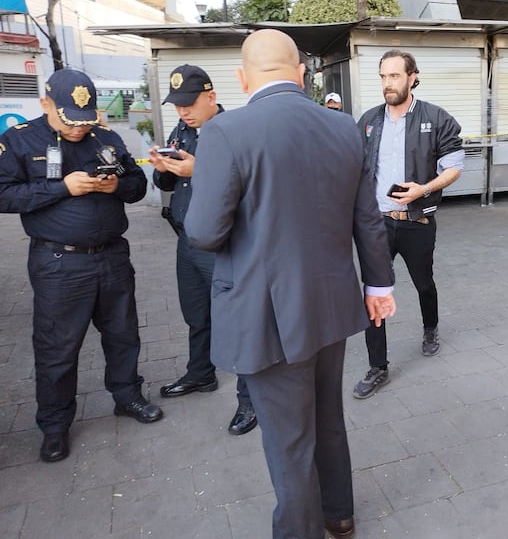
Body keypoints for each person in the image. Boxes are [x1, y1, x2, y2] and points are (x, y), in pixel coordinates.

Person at [183, 29, 396, 539]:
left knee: (288, 439)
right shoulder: (345, 127)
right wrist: (378, 287)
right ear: (302, 73)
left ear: (241, 78)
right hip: (332, 303)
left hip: (266, 311)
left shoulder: (227, 132)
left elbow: (204, 232)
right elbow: (367, 218)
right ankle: (338, 514)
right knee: (328, 417)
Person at [0, 69, 163, 463]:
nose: (78, 130)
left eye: (85, 120)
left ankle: (127, 397)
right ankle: (55, 426)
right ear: (46, 105)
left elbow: (138, 183)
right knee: (57, 348)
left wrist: (117, 186)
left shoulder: (106, 138)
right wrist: (62, 187)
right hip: (58, 263)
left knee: (123, 336)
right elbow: (4, 195)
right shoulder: (20, 140)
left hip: (111, 258)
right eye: (69, 120)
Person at [148, 64, 256, 436]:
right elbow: (166, 181)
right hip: (187, 240)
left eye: (189, 103)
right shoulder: (182, 130)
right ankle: (200, 374)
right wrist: (162, 168)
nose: (182, 111)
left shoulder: (235, 131)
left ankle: (250, 398)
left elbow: (249, 187)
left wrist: (198, 172)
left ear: (211, 97)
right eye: (177, 105)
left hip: (224, 245)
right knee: (197, 315)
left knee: (239, 321)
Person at [351, 49, 465, 399]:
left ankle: (430, 329)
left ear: (413, 76)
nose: (388, 83)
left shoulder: (436, 118)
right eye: (383, 77)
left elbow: (454, 167)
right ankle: (377, 367)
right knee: (374, 292)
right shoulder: (369, 121)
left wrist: (424, 189)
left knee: (424, 284)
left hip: (418, 221)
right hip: (377, 225)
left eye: (395, 76)